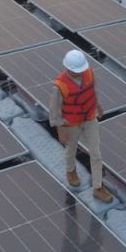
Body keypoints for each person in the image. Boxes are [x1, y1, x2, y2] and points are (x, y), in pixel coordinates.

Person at [49, 49, 114, 203]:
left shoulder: (89, 73)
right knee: (71, 150)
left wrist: (99, 106)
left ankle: (98, 187)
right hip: (71, 124)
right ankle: (71, 171)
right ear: (69, 68)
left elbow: (94, 90)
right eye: (76, 70)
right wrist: (61, 131)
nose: (80, 72)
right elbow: (55, 111)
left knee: (96, 154)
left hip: (90, 119)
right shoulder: (59, 86)